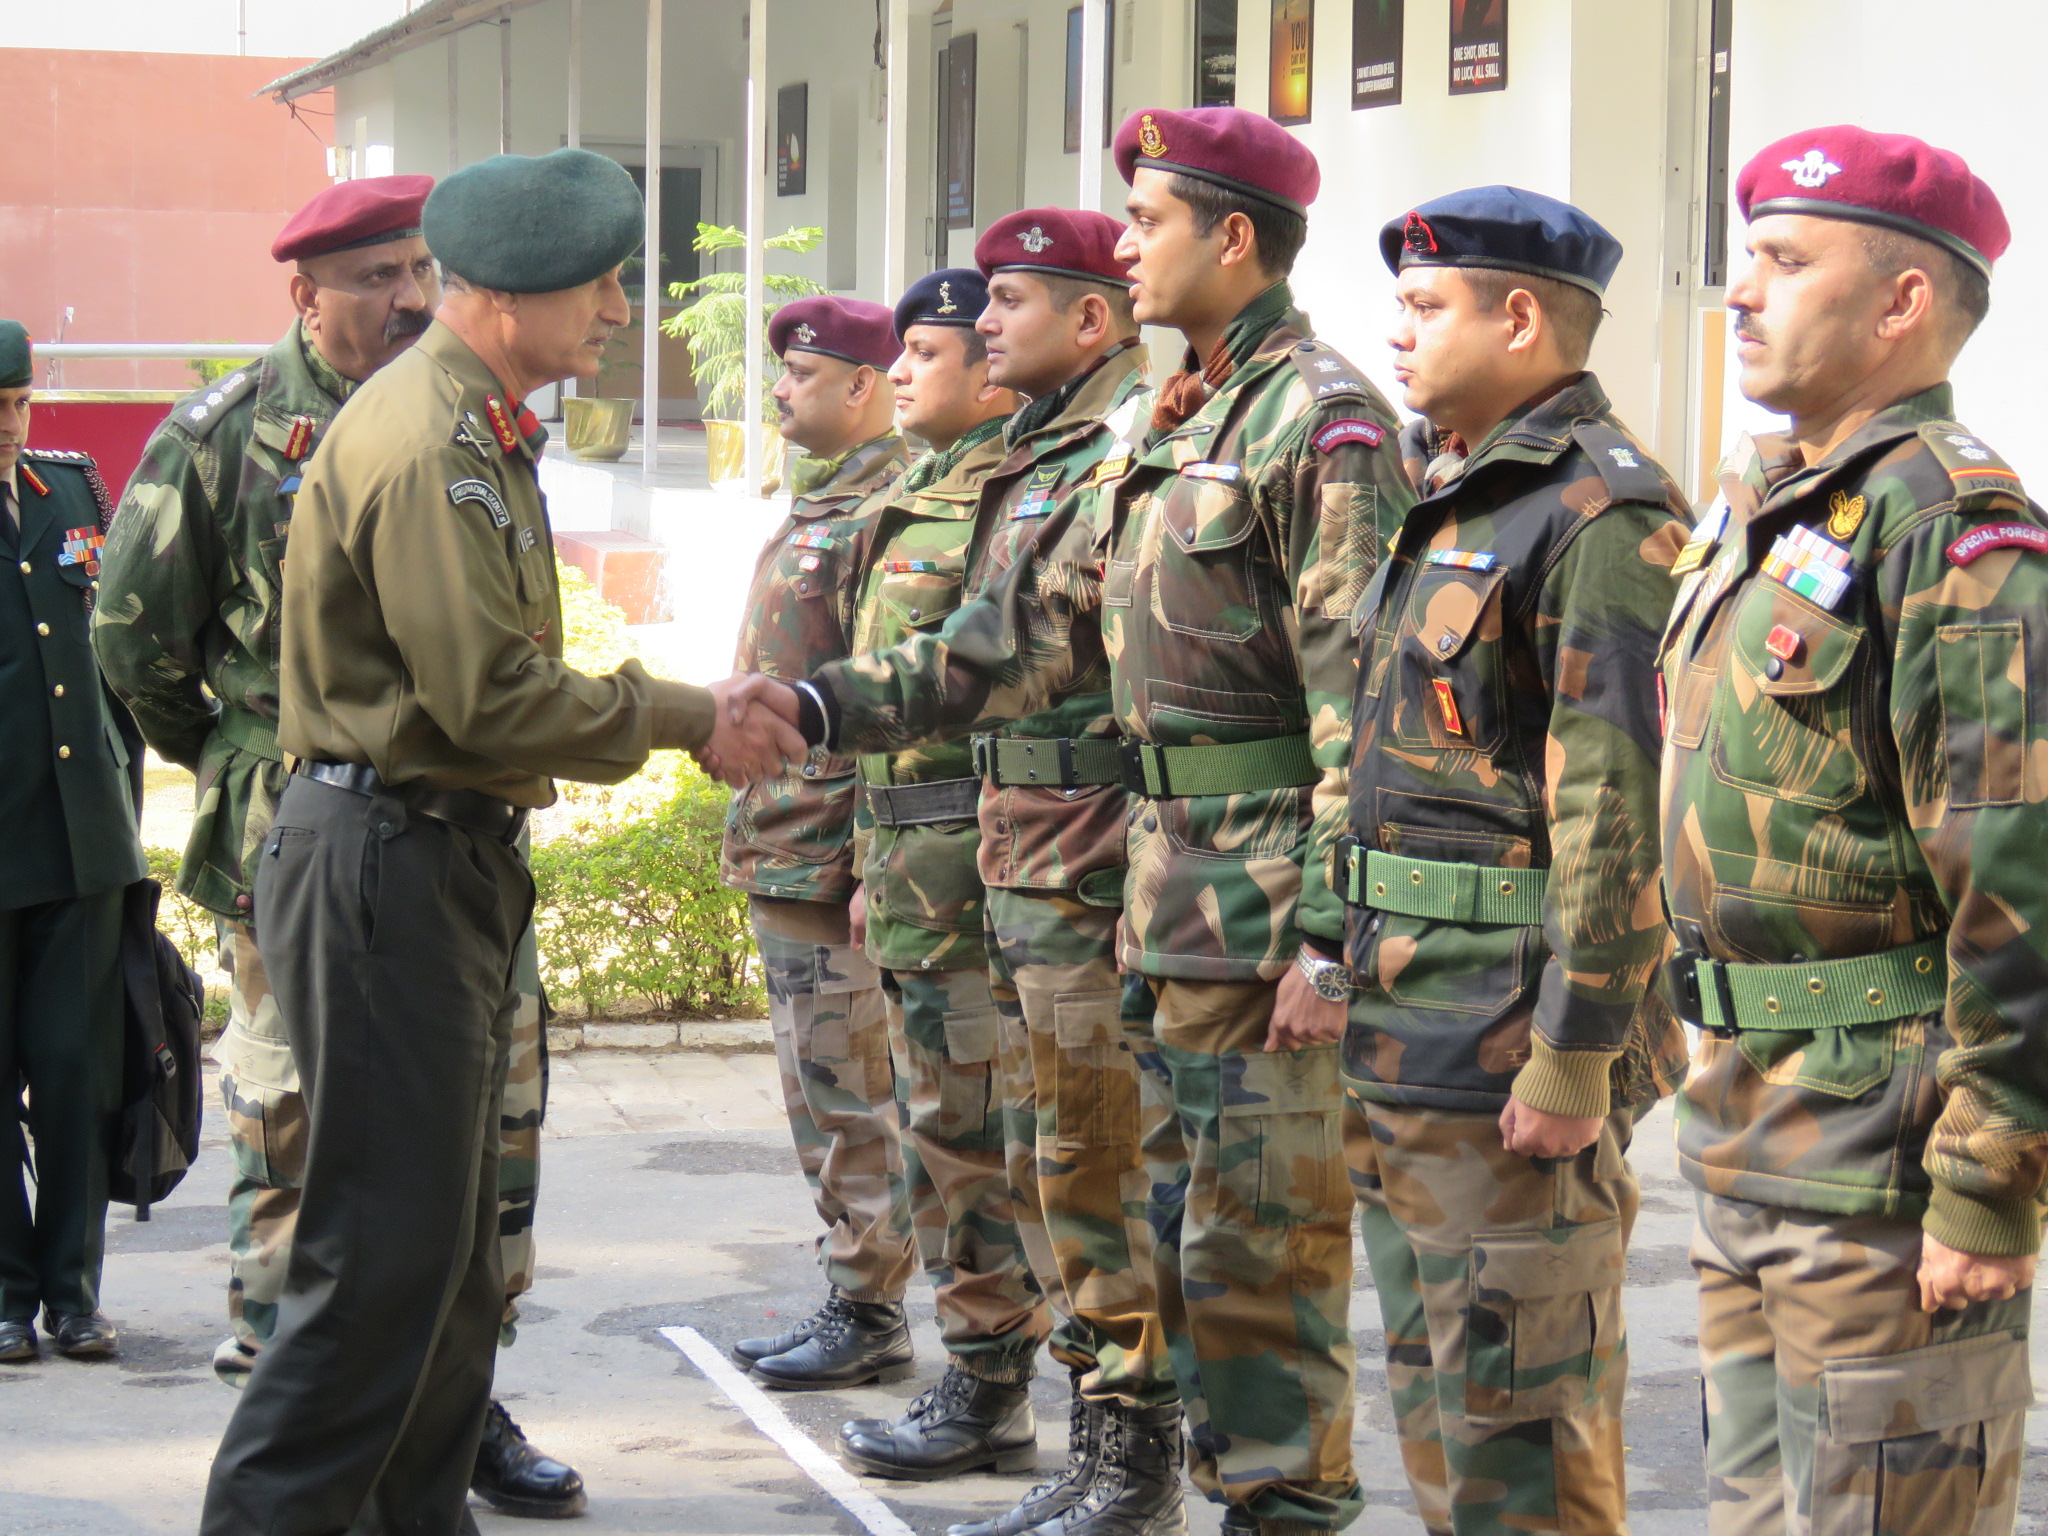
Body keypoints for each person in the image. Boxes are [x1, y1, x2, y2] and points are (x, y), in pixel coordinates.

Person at [777, 106, 1414, 1535]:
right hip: (1165, 901)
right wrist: (814, 711)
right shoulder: (1182, 423)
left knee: (1264, 1253)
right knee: (1181, 1237)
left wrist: (1331, 937)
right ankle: (1161, 1473)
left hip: (1260, 920)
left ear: (1232, 237)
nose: (1127, 251)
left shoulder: (1324, 421)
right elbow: (1013, 642)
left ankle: (1284, 1513)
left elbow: (1364, 709)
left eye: (1152, 224)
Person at [198, 147, 798, 1536]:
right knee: (372, 1272)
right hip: (384, 862)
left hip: (432, 857)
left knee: (453, 1271)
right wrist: (692, 713)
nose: (615, 313)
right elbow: (484, 695)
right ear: (515, 297)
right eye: (598, 286)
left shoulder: (471, 423)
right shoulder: (428, 440)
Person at [91, 174, 586, 1515]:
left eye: (417, 269)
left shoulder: (466, 415)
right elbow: (132, 640)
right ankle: (298, 1410)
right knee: (312, 1156)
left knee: (484, 1144)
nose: (405, 295)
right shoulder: (229, 437)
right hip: (321, 840)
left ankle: (451, 1406)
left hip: (457, 843)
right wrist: (246, 760)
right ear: (304, 292)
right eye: (373, 275)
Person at [1660, 127, 2042, 1535]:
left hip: (1881, 1158)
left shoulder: (1952, 528)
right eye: (1743, 254)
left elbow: (2018, 878)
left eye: (1782, 259)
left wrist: (1988, 1188)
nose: (1742, 291)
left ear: (1902, 304)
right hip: (1746, 1124)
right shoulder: (1766, 504)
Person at [1323, 187, 1690, 1536]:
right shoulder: (1461, 493)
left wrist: (1576, 1050)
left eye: (1428, 308)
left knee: (1526, 1434)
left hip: (1507, 1050)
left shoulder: (1597, 516)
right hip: (1411, 1030)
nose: (1400, 336)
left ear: (1521, 316)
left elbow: (1618, 809)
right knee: (1444, 1413)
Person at [948, 206, 1179, 1536]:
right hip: (1029, 862)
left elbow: (1022, 658)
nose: (986, 323)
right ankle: (1102, 1444)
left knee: (1100, 1168)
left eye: (1012, 300)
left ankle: (1133, 1465)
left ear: (1091, 320)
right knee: (1060, 1163)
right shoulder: (1033, 451)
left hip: (1092, 871)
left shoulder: (1121, 449)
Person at [823, 268, 1050, 1482]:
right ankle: (981, 1374)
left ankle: (988, 1383)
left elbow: (970, 686)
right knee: (937, 1129)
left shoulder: (1010, 498)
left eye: (929, 350)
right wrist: (869, 856)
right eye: (898, 351)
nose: (900, 372)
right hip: (909, 857)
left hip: (975, 865)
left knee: (977, 1137)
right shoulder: (916, 487)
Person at [721, 295, 919, 1390]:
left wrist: (864, 860)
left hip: (829, 858)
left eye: (805, 373)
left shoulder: (885, 510)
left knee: (850, 1096)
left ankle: (869, 1309)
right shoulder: (821, 500)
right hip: (782, 848)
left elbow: (886, 706)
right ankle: (855, 1294)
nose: (783, 391)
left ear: (864, 387)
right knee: (818, 1093)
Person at [0, 320, 146, 1365]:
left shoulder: (71, 493)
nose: (8, 428)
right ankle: (7, 1296)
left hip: (81, 841)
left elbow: (116, 660)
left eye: (16, 406)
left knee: (75, 1073)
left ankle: (74, 1292)